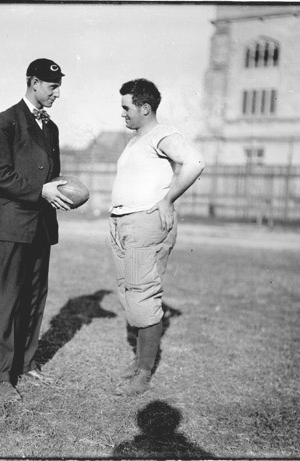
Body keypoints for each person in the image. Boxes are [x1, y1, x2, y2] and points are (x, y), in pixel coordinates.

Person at [0, 58, 72, 402]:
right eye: (52, 86)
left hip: (42, 224)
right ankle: (0, 375)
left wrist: (61, 191)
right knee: (10, 297)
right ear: (33, 83)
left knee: (35, 295)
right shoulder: (5, 122)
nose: (57, 93)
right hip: (15, 223)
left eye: (59, 86)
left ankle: (26, 361)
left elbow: (52, 175)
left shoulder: (51, 127)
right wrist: (40, 191)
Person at [109, 79, 205, 396]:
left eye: (127, 107)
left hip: (145, 222)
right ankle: (139, 363)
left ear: (145, 108)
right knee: (129, 293)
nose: (122, 113)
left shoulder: (163, 134)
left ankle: (144, 374)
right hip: (123, 223)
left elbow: (195, 162)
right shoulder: (137, 140)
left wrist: (167, 200)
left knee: (143, 294)